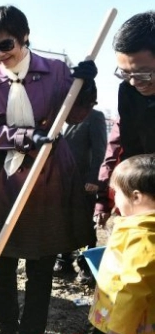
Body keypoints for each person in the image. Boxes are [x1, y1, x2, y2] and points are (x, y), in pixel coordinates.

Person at [0, 5, 98, 334]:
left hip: (49, 179)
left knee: (41, 262)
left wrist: (86, 85)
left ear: (24, 37)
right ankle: (8, 331)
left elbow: (76, 113)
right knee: (2, 261)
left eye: (5, 44)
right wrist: (27, 137)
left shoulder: (56, 71)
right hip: (5, 179)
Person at [88, 154, 155, 334]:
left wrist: (119, 332)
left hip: (135, 333)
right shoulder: (137, 225)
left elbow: (134, 287)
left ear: (136, 196)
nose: (114, 200)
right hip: (135, 329)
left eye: (117, 193)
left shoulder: (145, 235)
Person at [95, 11, 155, 229]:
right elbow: (126, 150)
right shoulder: (130, 92)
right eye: (124, 73)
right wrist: (108, 197)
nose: (133, 82)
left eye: (142, 74)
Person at [54, 109, 107, 281]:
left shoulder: (93, 116)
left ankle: (86, 266)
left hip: (84, 181)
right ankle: (64, 260)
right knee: (61, 221)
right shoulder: (55, 114)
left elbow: (100, 150)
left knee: (84, 222)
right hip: (58, 181)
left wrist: (94, 179)